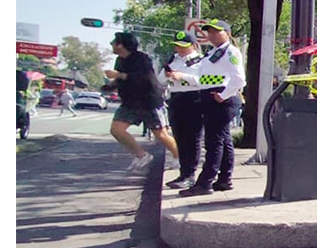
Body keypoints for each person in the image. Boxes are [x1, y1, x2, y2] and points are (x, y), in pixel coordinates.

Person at [179, 19, 246, 197]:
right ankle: (224, 179)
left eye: (217, 31)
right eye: (209, 32)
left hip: (221, 99)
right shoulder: (214, 52)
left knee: (213, 142)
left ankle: (205, 182)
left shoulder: (230, 52)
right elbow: (204, 76)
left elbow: (239, 79)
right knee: (223, 139)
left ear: (227, 33)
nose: (212, 35)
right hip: (213, 98)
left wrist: (222, 96)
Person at [105, 32, 179, 172]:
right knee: (116, 130)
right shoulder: (120, 60)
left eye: (114, 42)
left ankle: (179, 158)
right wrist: (112, 85)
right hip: (130, 102)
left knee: (160, 134)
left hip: (149, 102)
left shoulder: (142, 59)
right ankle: (141, 155)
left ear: (121, 44)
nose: (111, 44)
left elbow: (147, 80)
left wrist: (119, 75)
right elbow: (122, 79)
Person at [163, 30, 205, 189]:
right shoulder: (172, 60)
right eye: (177, 46)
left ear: (194, 45)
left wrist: (183, 76)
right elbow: (160, 79)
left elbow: (203, 81)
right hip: (176, 98)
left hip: (194, 99)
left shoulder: (201, 61)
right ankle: (183, 172)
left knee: (192, 138)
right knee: (180, 137)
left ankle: (190, 174)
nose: (180, 50)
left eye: (184, 46)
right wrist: (169, 75)